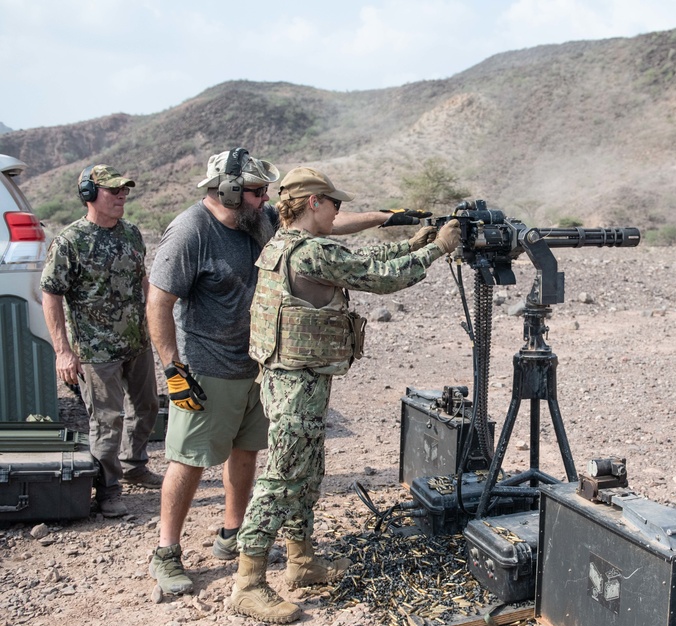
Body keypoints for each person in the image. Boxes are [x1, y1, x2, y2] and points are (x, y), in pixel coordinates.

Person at [146, 150, 415, 596]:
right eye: (256, 191)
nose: (265, 198)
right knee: (190, 459)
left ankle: (233, 535)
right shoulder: (191, 231)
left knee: (248, 454)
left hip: (265, 360)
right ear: (228, 191)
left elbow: (327, 224)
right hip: (210, 366)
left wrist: (388, 218)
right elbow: (158, 302)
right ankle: (167, 552)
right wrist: (173, 368)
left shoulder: (260, 220)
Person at [228, 166, 460, 624]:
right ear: (313, 202)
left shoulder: (286, 243)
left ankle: (302, 562)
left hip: (298, 378)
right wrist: (436, 249)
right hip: (297, 383)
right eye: (334, 202)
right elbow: (380, 276)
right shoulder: (311, 251)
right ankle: (248, 583)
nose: (338, 211)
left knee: (307, 471)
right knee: (281, 478)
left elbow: (363, 262)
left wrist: (415, 241)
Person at [40, 164, 162, 519]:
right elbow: (51, 294)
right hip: (96, 351)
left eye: (124, 190)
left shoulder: (131, 233)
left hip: (136, 343)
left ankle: (134, 464)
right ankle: (108, 490)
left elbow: (143, 282)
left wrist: (158, 321)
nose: (122, 195)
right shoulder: (70, 241)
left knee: (147, 407)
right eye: (113, 190)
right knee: (107, 421)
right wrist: (63, 351)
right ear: (90, 195)